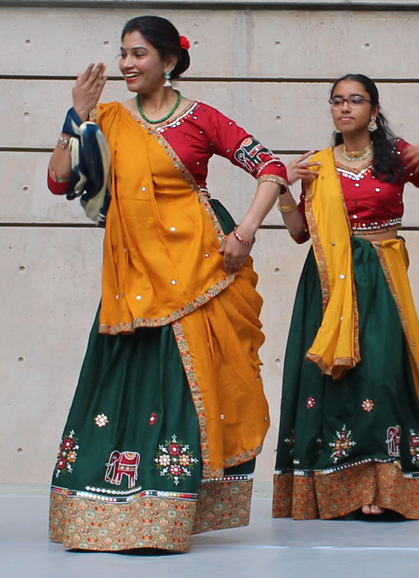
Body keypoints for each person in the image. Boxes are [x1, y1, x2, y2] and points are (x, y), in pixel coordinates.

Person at [47, 15, 288, 552]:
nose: (127, 64)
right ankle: (107, 508)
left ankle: (168, 511)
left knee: (185, 383)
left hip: (199, 267)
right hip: (133, 274)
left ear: (169, 61)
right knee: (122, 382)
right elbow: (59, 180)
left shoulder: (202, 119)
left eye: (138, 54)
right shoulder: (106, 119)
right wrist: (75, 117)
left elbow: (271, 168)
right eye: (123, 54)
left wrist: (245, 231)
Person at [272, 73, 419, 521]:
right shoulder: (319, 164)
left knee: (382, 377)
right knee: (334, 382)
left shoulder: (397, 157)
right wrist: (286, 187)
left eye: (355, 101)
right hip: (328, 284)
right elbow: (300, 234)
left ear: (374, 111)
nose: (344, 108)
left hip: (381, 277)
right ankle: (339, 490)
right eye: (337, 101)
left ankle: (386, 485)